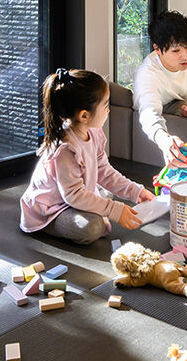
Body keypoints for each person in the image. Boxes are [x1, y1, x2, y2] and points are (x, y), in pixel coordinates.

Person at [20, 68, 155, 244]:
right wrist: (113, 209)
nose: (108, 110)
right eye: (105, 105)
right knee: (93, 227)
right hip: (51, 210)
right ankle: (47, 225)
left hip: (73, 198)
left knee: (104, 195)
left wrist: (135, 191)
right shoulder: (65, 149)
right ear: (84, 115)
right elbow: (74, 195)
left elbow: (104, 171)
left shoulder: (94, 132)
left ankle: (95, 204)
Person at [131, 10, 187, 163]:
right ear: (157, 49)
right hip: (155, 127)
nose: (186, 56)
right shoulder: (147, 74)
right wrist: (164, 140)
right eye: (176, 50)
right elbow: (148, 114)